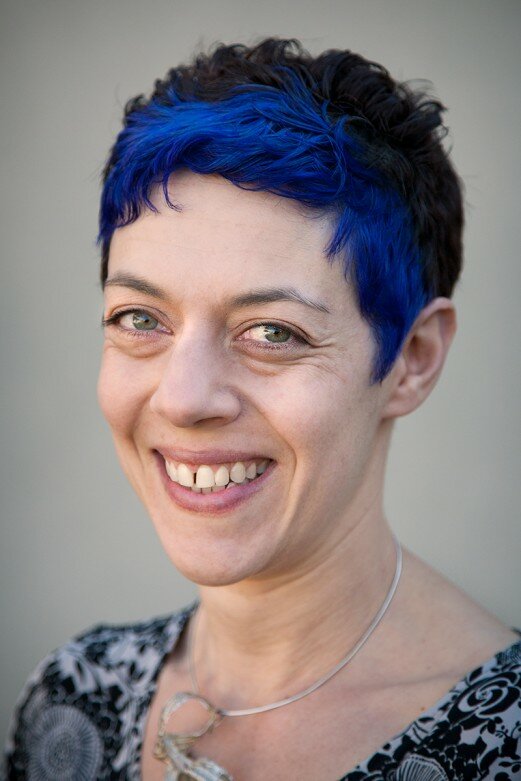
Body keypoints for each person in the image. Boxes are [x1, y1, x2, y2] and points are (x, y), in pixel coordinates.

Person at [4, 38, 520, 781]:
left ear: (412, 358)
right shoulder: (71, 698)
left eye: (273, 332)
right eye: (140, 318)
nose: (183, 399)